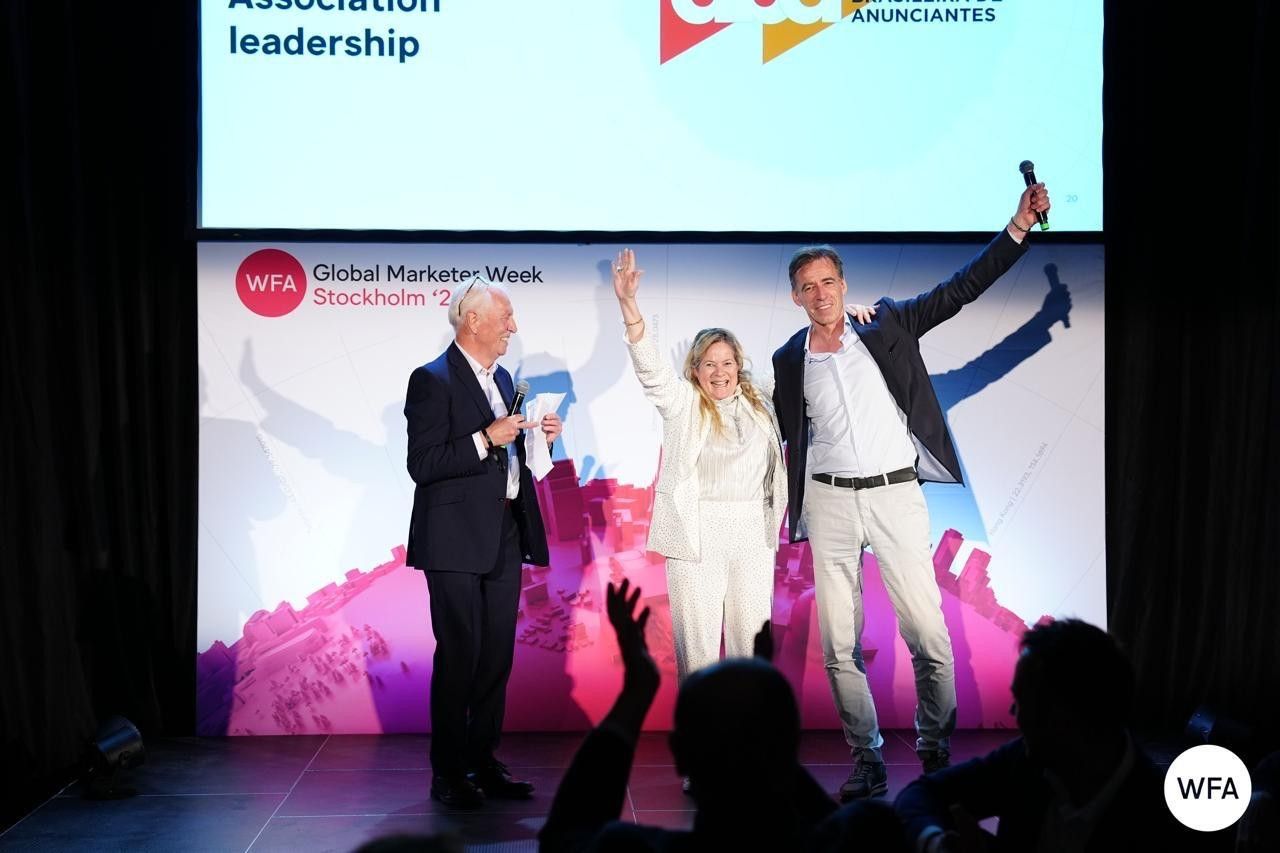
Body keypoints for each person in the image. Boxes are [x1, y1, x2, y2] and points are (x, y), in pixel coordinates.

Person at [771, 183, 1052, 800]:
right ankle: (866, 758)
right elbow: (781, 428)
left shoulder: (886, 323)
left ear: (843, 285)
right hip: (829, 500)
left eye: (828, 282)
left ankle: (934, 749)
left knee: (927, 632)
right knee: (838, 643)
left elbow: (960, 289)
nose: (820, 294)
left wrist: (1017, 227)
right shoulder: (788, 358)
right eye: (808, 287)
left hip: (894, 495)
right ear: (796, 297)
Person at [538, 583, 877, 853]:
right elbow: (845, 828)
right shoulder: (860, 836)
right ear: (788, 744)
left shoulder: (628, 847)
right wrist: (763, 716)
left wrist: (637, 692)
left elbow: (567, 834)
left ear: (679, 753)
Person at [403, 277, 563, 809]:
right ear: (473, 321)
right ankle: (449, 773)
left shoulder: (504, 380)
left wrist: (539, 440)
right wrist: (484, 438)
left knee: (496, 657)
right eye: (506, 317)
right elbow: (422, 464)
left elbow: (509, 462)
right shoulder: (431, 379)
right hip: (453, 541)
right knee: (460, 656)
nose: (513, 326)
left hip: (503, 534)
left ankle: (483, 762)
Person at [611, 248, 789, 683]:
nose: (719, 371)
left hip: (753, 531)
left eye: (727, 362)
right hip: (696, 534)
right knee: (698, 648)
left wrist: (846, 322)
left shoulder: (762, 402)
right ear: (695, 370)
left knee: (752, 647)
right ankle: (700, 723)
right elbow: (651, 371)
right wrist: (629, 305)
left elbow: (805, 364)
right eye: (709, 363)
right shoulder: (683, 403)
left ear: (739, 366)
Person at [894, 619, 1189, 852]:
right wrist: (938, 843)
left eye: (1025, 702)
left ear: (1069, 713)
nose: (1014, 712)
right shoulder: (1024, 761)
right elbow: (921, 795)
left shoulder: (1161, 818)